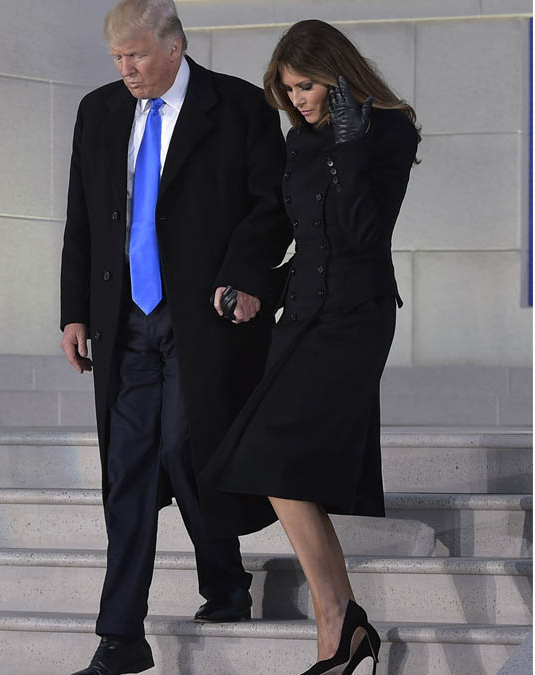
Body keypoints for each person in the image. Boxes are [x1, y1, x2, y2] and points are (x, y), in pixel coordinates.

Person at [58, 0, 293, 672]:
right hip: (124, 319)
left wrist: (246, 277)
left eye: (135, 54)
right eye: (116, 57)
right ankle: (120, 634)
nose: (125, 68)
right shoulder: (98, 112)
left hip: (204, 316)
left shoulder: (240, 107)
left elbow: (269, 206)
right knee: (127, 469)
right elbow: (82, 216)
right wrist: (74, 310)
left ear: (173, 46)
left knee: (188, 447)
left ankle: (224, 583)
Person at [197, 19, 421, 675]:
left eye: (306, 86)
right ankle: (342, 622)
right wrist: (254, 286)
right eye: (288, 89)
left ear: (336, 75)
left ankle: (337, 623)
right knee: (272, 467)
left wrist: (351, 146)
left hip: (356, 317)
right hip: (301, 316)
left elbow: (361, 233)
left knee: (274, 459)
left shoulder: (390, 128)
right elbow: (305, 236)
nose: (297, 100)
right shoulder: (300, 139)